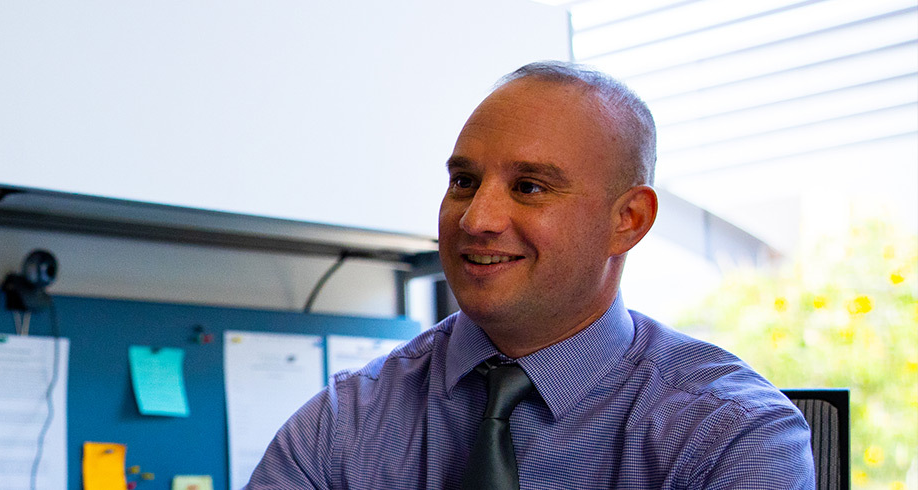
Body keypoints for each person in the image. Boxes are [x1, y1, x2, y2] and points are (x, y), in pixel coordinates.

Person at [246, 62, 814, 489]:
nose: (476, 218)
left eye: (530, 188)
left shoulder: (728, 434)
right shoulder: (342, 425)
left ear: (629, 220)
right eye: (464, 181)